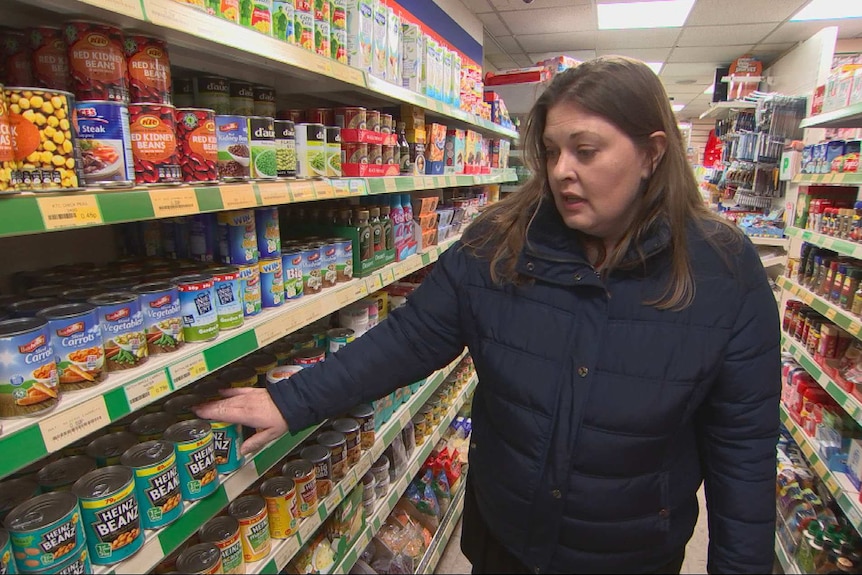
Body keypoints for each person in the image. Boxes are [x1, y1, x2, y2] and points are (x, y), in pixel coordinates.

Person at [193, 56, 780, 574]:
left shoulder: (723, 272)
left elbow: (744, 449)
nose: (560, 171)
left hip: (630, 552)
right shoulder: (500, 243)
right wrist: (292, 400)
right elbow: (411, 337)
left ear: (652, 153)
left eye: (586, 150)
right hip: (506, 543)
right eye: (551, 152)